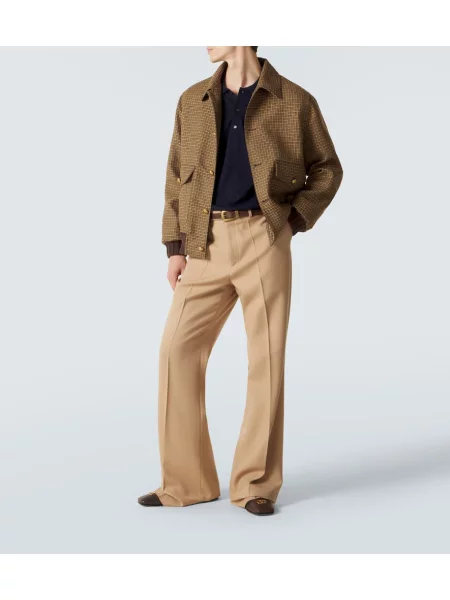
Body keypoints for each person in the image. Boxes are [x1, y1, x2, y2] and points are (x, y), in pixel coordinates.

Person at [138, 46, 343, 516]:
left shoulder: (294, 101)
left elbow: (327, 169)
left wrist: (292, 221)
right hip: (204, 241)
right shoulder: (192, 100)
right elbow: (175, 177)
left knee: (265, 359)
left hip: (263, 237)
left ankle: (255, 484)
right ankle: (187, 482)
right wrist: (175, 246)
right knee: (175, 350)